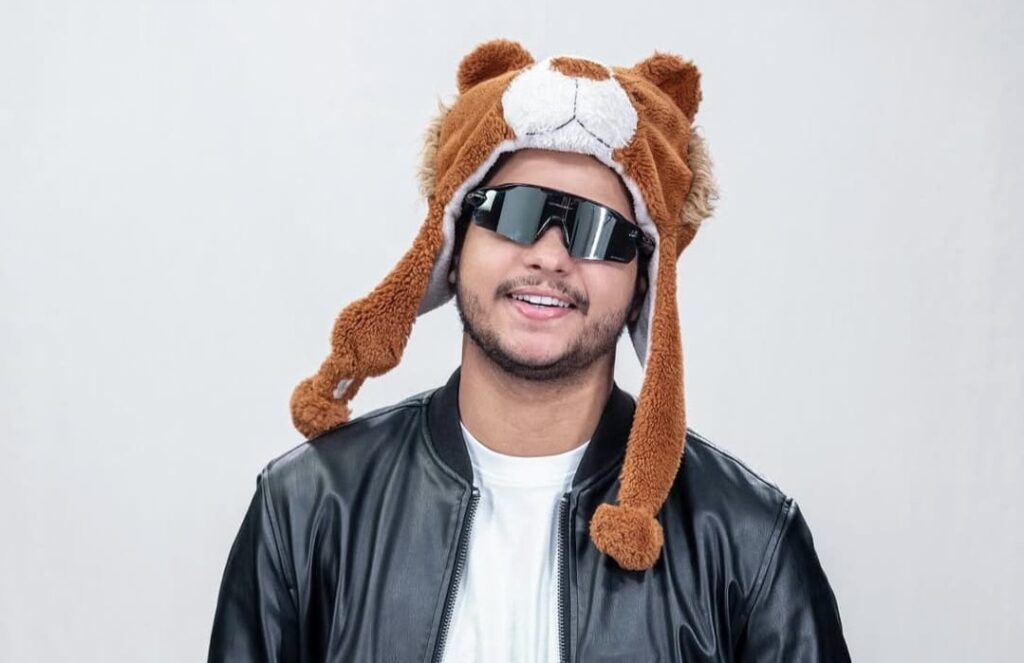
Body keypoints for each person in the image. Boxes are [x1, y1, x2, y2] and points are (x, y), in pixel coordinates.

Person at [208, 39, 851, 662]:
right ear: (451, 249)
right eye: (513, 213)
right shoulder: (306, 506)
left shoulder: (748, 540)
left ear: (643, 287)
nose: (549, 255)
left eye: (599, 231)